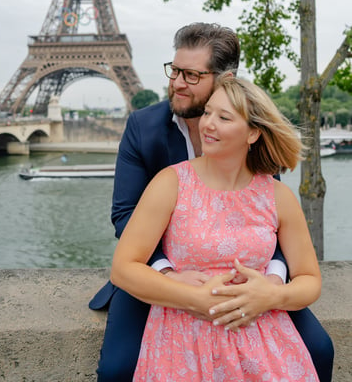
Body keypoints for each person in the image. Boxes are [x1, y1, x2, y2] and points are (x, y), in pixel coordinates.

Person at [89, 22, 333, 381]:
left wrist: (272, 284)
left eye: (191, 74)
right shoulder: (145, 130)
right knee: (117, 368)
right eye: (174, 71)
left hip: (249, 278)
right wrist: (171, 275)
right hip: (159, 266)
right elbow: (125, 215)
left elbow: (269, 223)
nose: (177, 83)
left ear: (225, 79)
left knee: (320, 350)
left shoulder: (258, 160)